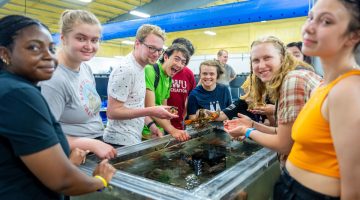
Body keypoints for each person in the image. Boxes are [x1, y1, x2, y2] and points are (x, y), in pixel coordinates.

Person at [0, 15, 116, 199]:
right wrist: (101, 182)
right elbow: (62, 180)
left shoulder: (16, 88)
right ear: (5, 54)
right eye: (34, 47)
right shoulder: (18, 94)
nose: (49, 56)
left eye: (50, 48)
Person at [275, 0, 360, 199]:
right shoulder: (323, 86)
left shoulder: (348, 90)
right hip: (290, 187)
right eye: (310, 18)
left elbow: (355, 187)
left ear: (354, 35)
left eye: (326, 21)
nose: (309, 27)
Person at [223, 36, 321, 165]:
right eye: (256, 60)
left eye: (267, 57)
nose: (261, 65)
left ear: (283, 57)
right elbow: (283, 133)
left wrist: (246, 131)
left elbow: (284, 145)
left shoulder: (293, 80)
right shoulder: (293, 78)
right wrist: (252, 124)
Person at [40, 10, 117, 159]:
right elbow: (44, 137)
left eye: (94, 40)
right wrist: (91, 144)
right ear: (63, 38)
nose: (89, 46)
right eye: (81, 38)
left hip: (94, 146)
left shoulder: (85, 68)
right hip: (70, 154)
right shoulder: (53, 78)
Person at [104, 24, 178, 146]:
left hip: (132, 139)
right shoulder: (126, 69)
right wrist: (152, 110)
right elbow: (112, 112)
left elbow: (134, 105)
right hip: (118, 142)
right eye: (151, 48)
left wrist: (151, 125)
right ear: (137, 43)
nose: (156, 54)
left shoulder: (141, 67)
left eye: (160, 50)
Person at [142, 43, 191, 141]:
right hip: (144, 131)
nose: (179, 64)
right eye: (176, 59)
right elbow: (150, 108)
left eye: (183, 62)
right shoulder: (150, 70)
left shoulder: (169, 79)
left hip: (159, 131)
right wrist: (172, 130)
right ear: (165, 57)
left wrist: (168, 129)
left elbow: (164, 109)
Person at [167, 38, 197, 130]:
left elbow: (191, 96)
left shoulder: (188, 74)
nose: (181, 63)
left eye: (186, 59)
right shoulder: (161, 71)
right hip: (157, 123)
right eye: (178, 57)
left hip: (178, 122)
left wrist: (185, 114)